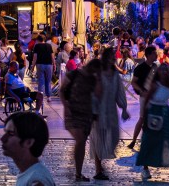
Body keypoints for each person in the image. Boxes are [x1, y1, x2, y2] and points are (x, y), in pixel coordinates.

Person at [89, 48, 129, 181]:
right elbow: (92, 92)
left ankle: (101, 162)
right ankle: (98, 169)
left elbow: (119, 90)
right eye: (112, 56)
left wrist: (123, 107)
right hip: (98, 110)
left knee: (114, 138)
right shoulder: (97, 73)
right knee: (98, 139)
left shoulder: (114, 73)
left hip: (111, 109)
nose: (114, 58)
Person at [60, 58, 100, 182]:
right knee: (80, 140)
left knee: (81, 141)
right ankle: (77, 173)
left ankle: (78, 172)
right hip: (72, 112)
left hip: (86, 114)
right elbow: (62, 90)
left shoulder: (94, 80)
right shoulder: (74, 74)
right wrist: (66, 106)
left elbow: (98, 95)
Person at [1, 111, 56, 186]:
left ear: (29, 142)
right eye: (5, 132)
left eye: (11, 133)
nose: (3, 138)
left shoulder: (36, 180)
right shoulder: (29, 173)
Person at [127, 45, 159, 149]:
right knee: (142, 118)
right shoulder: (140, 68)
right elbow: (134, 82)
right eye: (154, 53)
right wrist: (141, 91)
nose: (156, 55)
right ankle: (134, 140)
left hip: (155, 97)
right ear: (149, 55)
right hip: (145, 96)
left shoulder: (156, 67)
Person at [30, 34, 55, 103]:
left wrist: (32, 67)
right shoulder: (49, 46)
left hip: (40, 64)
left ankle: (40, 96)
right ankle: (49, 97)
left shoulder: (37, 46)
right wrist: (54, 64)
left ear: (38, 40)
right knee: (48, 81)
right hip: (49, 65)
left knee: (41, 81)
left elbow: (35, 57)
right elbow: (52, 55)